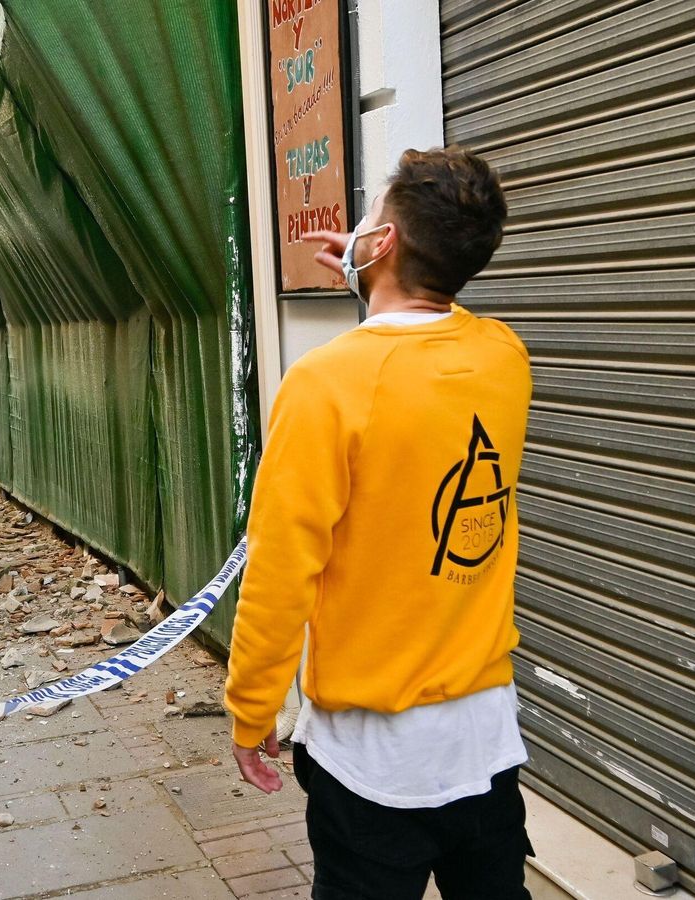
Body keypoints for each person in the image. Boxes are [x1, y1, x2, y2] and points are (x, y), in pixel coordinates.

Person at [224, 146, 533, 899]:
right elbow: (418, 355)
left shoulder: (326, 384)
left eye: (369, 218)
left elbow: (280, 568)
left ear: (385, 243)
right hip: (485, 741)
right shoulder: (503, 358)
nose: (357, 230)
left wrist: (250, 705)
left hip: (373, 759)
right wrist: (376, 284)